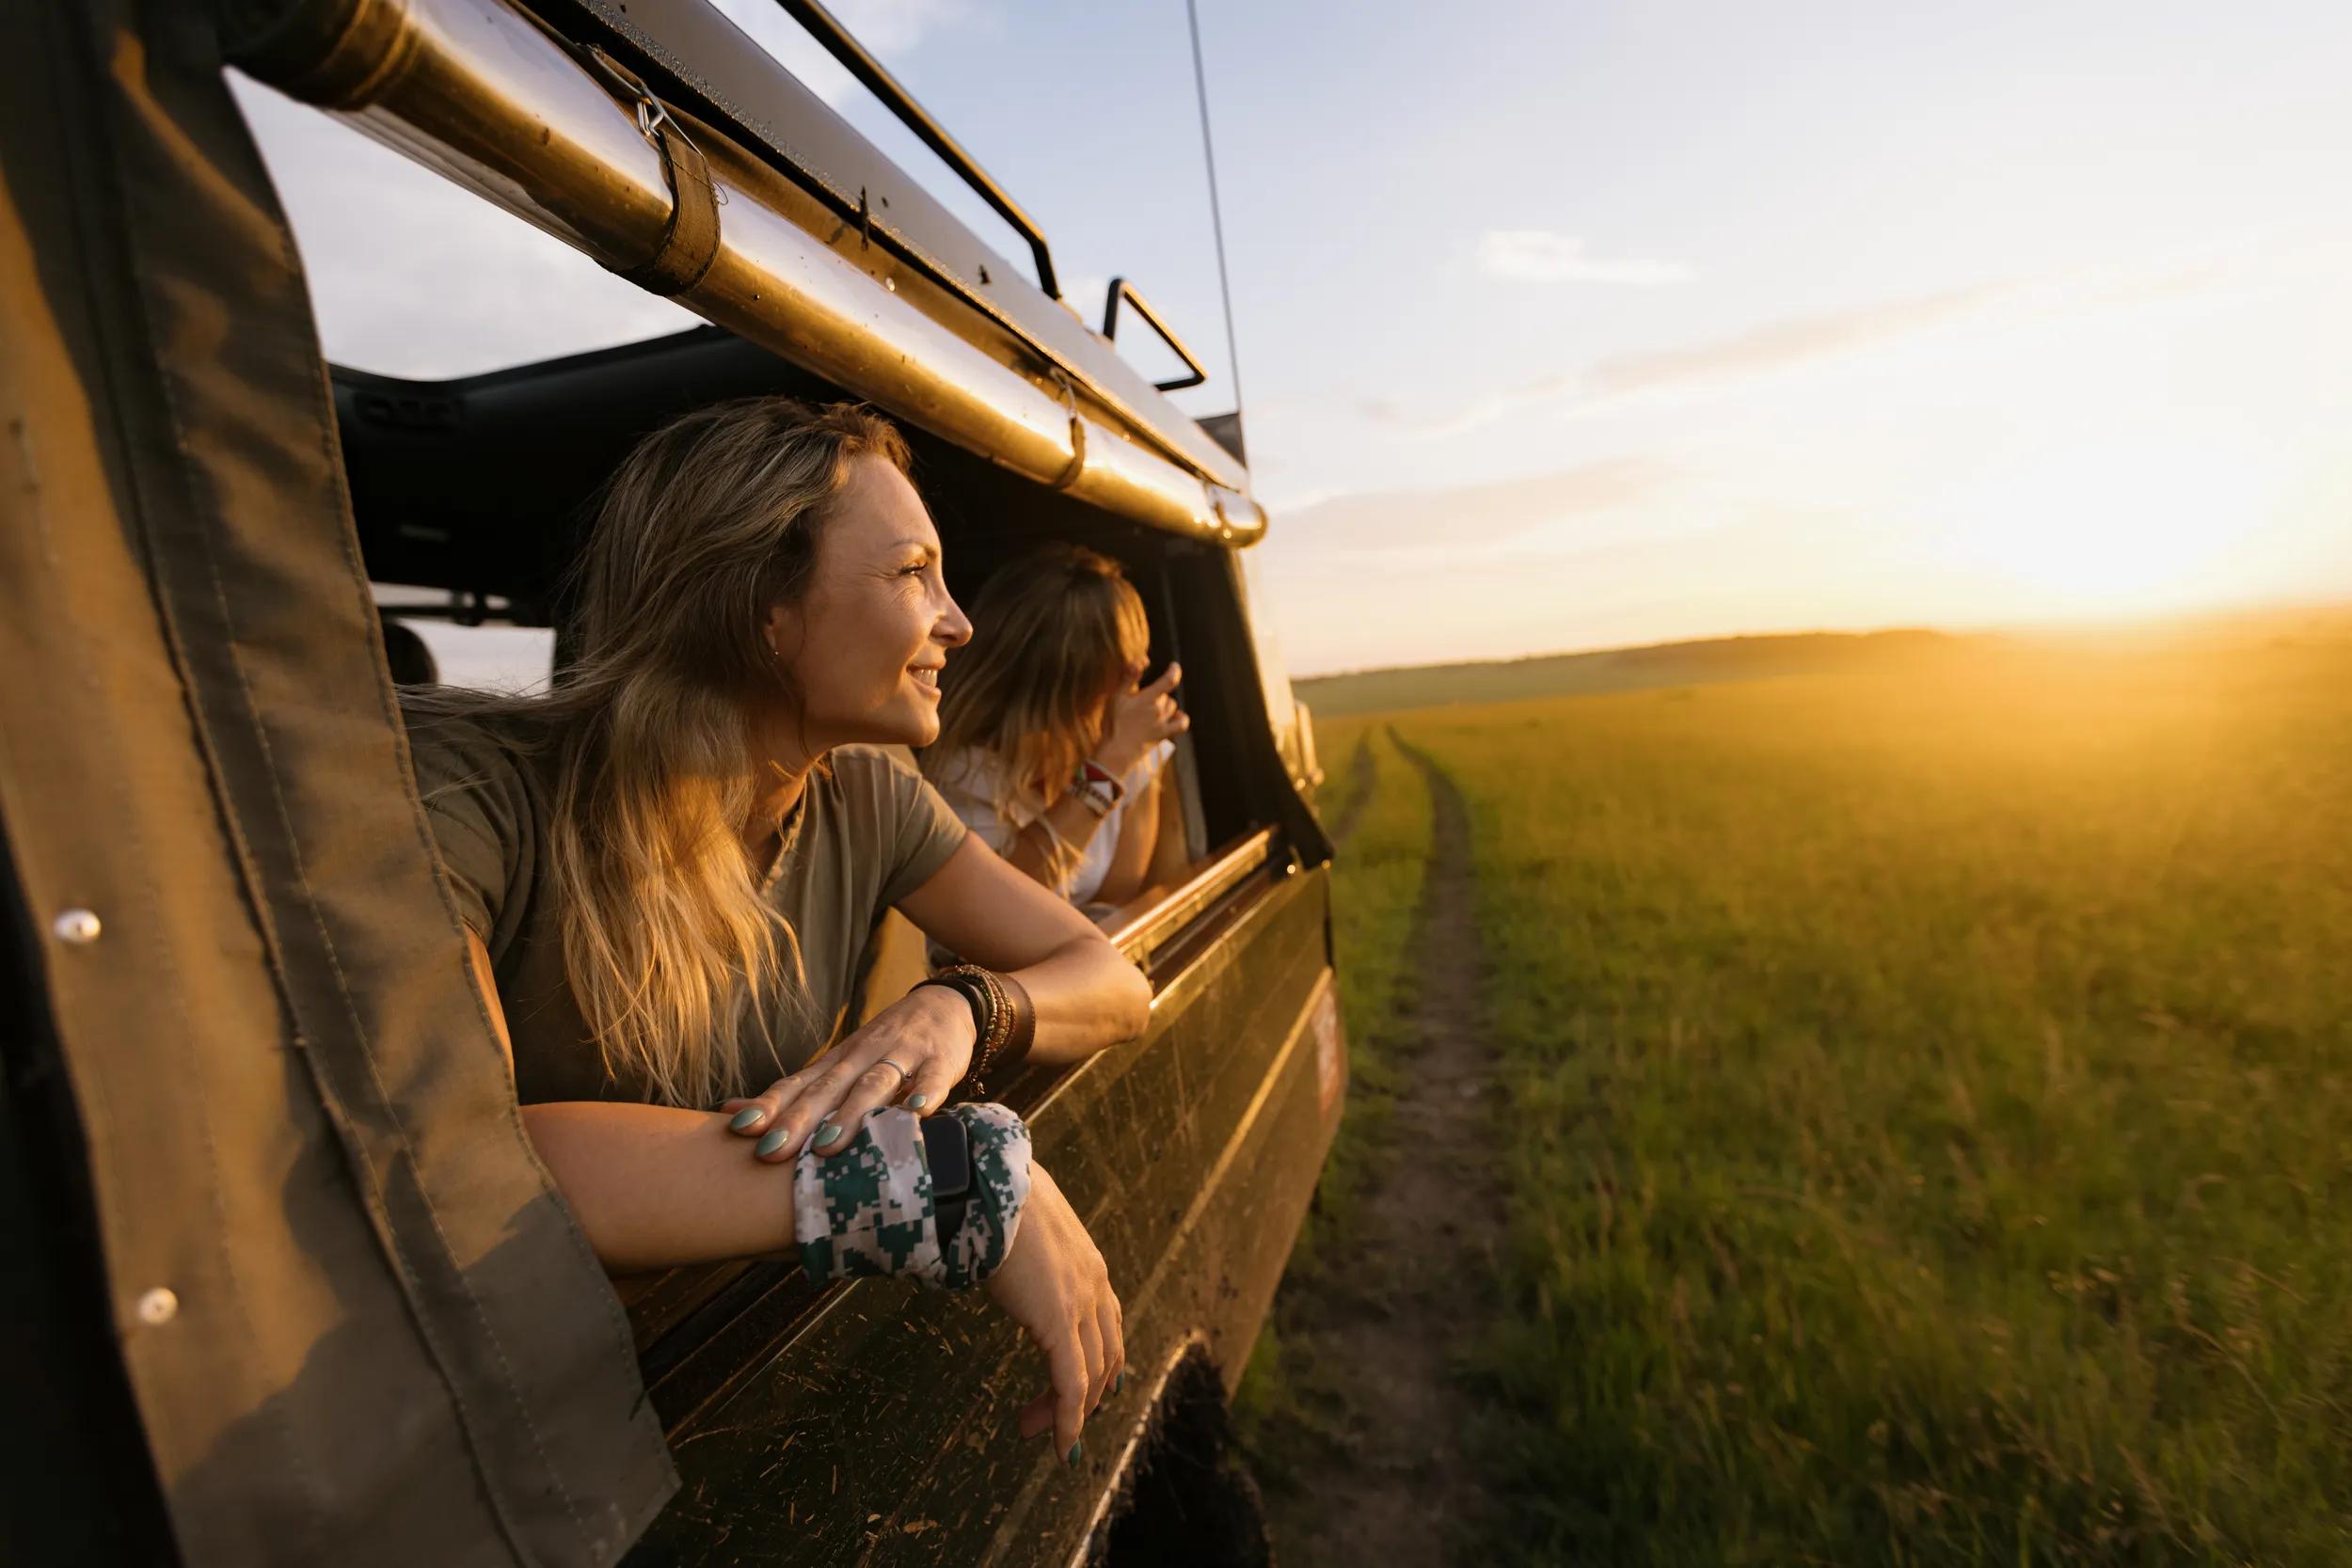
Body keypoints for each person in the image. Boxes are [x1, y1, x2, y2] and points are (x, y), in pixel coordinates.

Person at [399, 399, 1145, 1462]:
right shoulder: (468, 794)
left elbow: (1111, 978)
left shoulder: (867, 799)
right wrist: (945, 1176)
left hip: (695, 1402)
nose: (958, 621)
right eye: (911, 573)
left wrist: (962, 1005)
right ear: (765, 609)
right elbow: (466, 1159)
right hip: (498, 1437)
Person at [922, 545, 1190, 923]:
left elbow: (1116, 901)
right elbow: (998, 914)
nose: (1139, 672)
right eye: (1122, 665)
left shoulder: (1134, 749)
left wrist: (1126, 760)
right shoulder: (962, 772)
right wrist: (1106, 772)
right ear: (1066, 685)